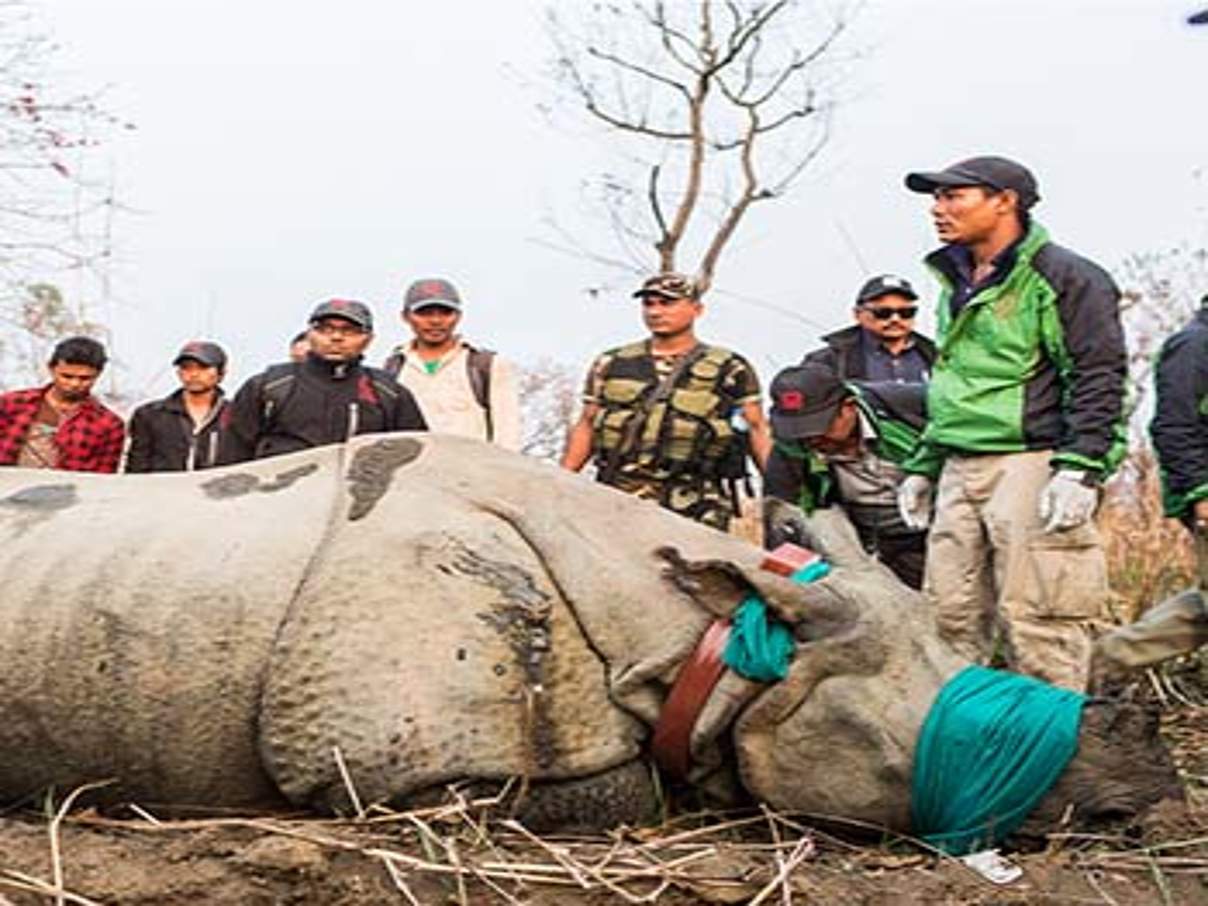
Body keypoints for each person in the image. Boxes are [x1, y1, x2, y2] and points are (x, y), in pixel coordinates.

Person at [896, 155, 1127, 691]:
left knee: (1040, 620)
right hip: (959, 465)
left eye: (955, 196)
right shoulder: (957, 278)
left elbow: (1098, 374)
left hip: (1030, 462)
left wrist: (1080, 467)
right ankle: (965, 748)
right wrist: (925, 464)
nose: (939, 209)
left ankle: (1058, 754)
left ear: (1005, 200)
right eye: (936, 198)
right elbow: (955, 382)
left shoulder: (1066, 277)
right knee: (948, 617)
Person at [560, 272, 771, 532]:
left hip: (697, 501)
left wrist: (779, 494)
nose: (656, 312)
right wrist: (561, 482)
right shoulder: (612, 362)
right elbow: (588, 424)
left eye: (667, 303)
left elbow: (757, 429)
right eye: (649, 303)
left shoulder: (730, 367)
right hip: (617, 498)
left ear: (696, 309)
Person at [1092, 293, 1208, 675]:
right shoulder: (1194, 345)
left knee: (1198, 613)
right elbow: (1174, 426)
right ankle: (1093, 663)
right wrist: (1200, 493)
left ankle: (1102, 659)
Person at [764, 363, 928, 589]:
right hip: (867, 539)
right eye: (799, 431)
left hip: (938, 525)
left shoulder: (906, 404)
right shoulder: (791, 449)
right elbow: (783, 517)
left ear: (848, 407)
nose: (812, 440)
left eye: (819, 427)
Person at [218, 299, 427, 464]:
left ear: (368, 339)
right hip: (277, 501)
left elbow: (416, 455)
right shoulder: (268, 386)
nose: (336, 337)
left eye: (349, 330)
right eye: (325, 329)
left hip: (358, 505)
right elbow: (231, 453)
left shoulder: (389, 392)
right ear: (310, 334)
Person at [382, 277, 522, 450]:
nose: (435, 321)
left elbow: (508, 436)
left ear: (458, 316)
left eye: (445, 313)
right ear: (405, 316)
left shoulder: (487, 366)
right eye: (424, 313)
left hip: (471, 471)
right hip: (415, 472)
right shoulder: (393, 369)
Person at [0, 335, 124, 473]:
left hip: (71, 492)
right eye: (67, 376)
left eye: (85, 378)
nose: (75, 384)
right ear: (51, 369)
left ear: (98, 374)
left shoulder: (109, 424)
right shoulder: (11, 404)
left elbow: (104, 478)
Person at [803, 274, 936, 382]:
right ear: (858, 314)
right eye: (883, 313)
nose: (895, 319)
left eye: (906, 312)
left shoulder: (938, 357)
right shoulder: (829, 361)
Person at [125, 340, 229, 472]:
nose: (194, 374)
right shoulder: (150, 415)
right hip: (162, 490)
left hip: (215, 490)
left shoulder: (236, 415)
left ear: (222, 372)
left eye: (203, 367)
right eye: (187, 367)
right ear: (179, 372)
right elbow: (136, 467)